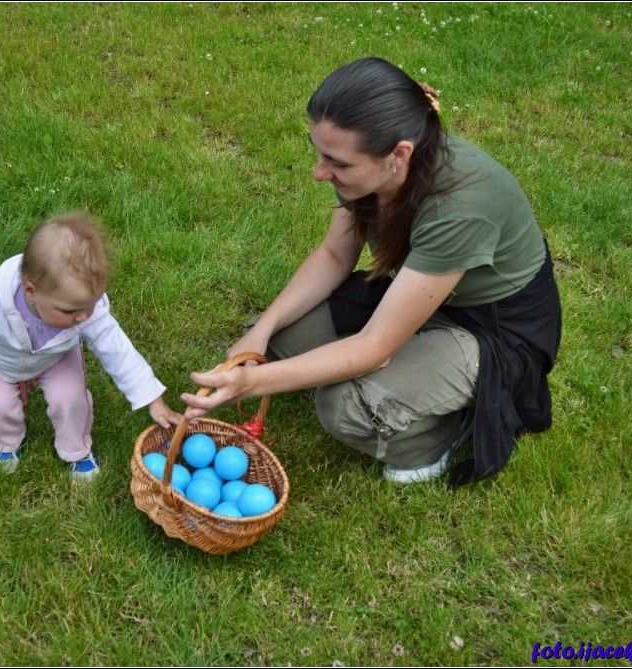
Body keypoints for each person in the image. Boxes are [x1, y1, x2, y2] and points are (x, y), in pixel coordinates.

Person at [182, 57, 562, 485]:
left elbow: (376, 346)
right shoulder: (375, 173)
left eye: (337, 163)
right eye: (320, 154)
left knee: (344, 406)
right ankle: (413, 373)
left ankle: (438, 438)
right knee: (280, 340)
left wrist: (254, 384)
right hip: (418, 294)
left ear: (398, 155)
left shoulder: (460, 208)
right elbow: (333, 256)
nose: (319, 173)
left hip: (491, 330)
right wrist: (261, 332)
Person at [0, 211, 182, 482]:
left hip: (55, 357)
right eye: (71, 310)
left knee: (71, 400)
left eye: (90, 304)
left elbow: (118, 350)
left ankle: (77, 450)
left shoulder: (84, 309)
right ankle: (5, 442)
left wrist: (152, 399)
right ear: (31, 291)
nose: (84, 316)